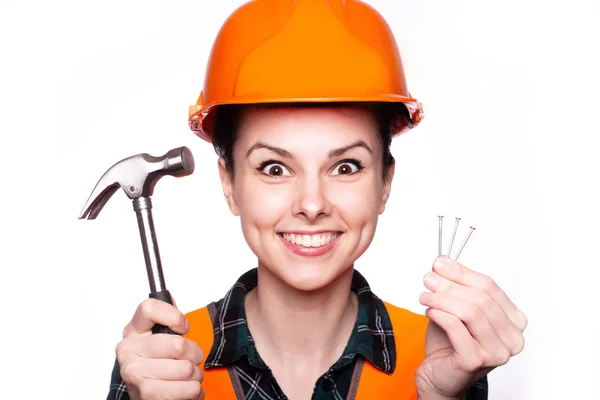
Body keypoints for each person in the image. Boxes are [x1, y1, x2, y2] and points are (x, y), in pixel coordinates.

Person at [107, 0, 527, 399]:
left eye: (346, 167)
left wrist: (440, 397)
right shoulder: (160, 361)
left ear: (385, 183)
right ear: (229, 184)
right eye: (275, 168)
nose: (311, 204)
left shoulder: (445, 358)